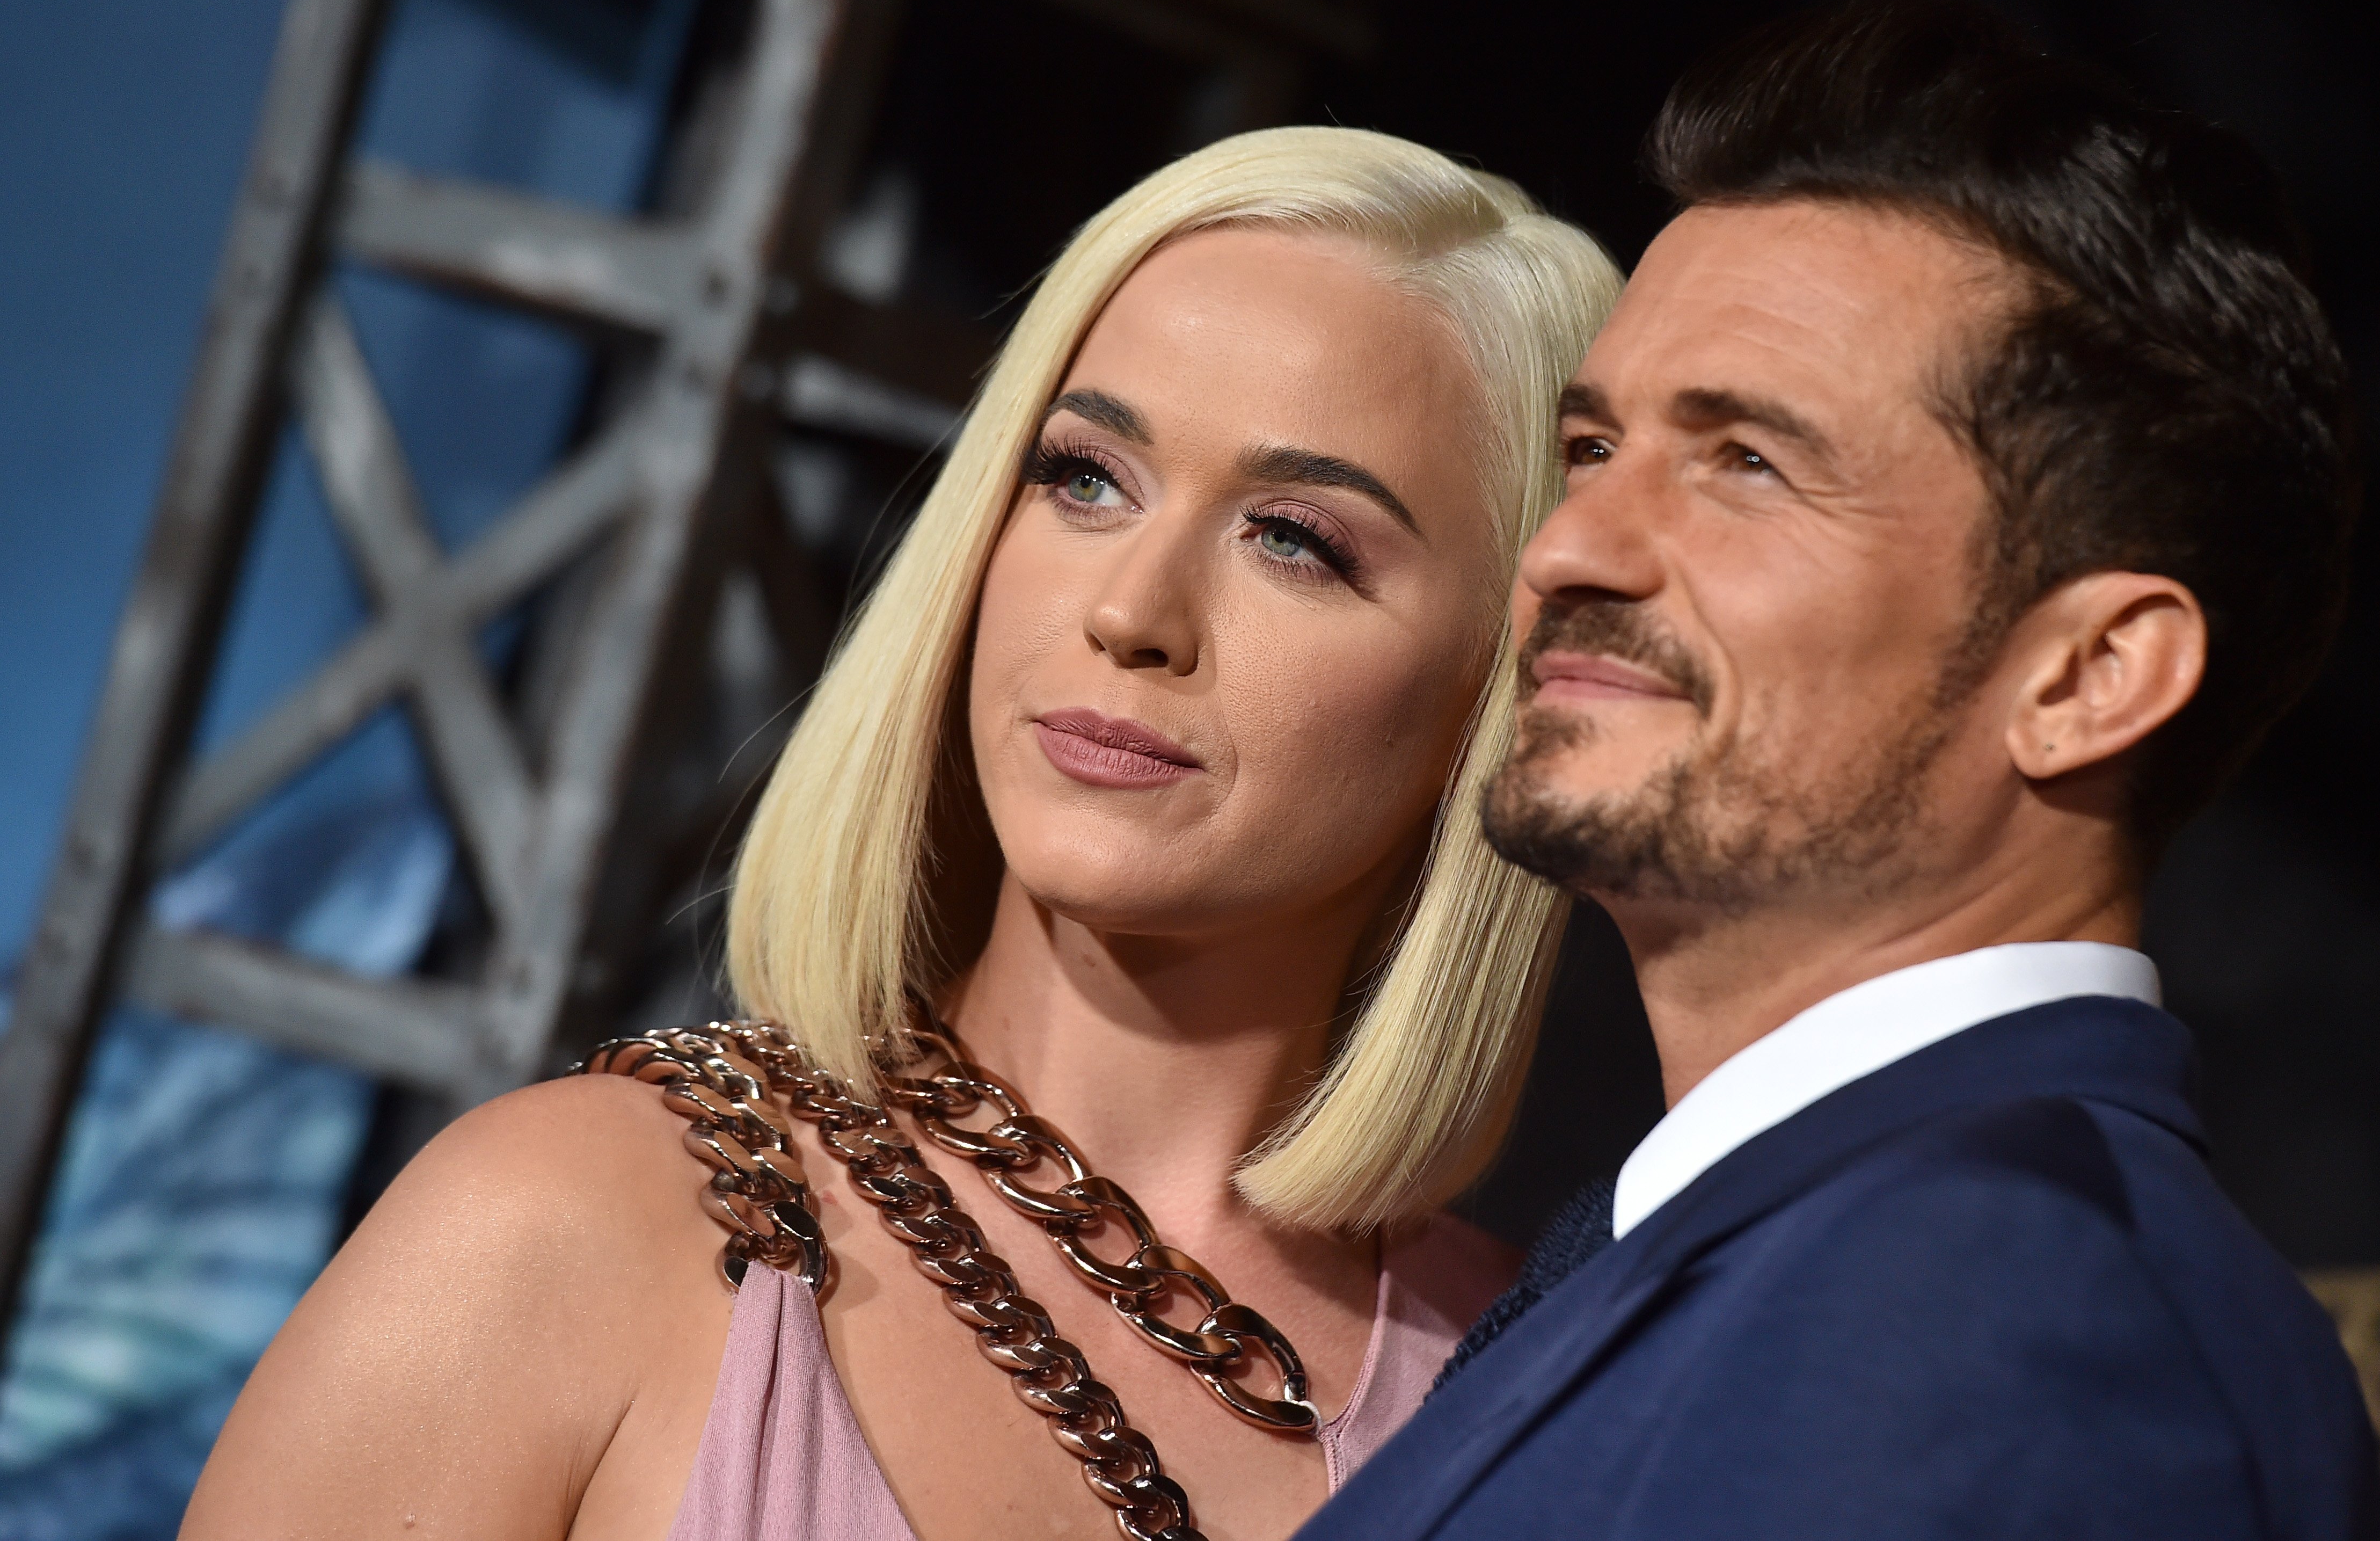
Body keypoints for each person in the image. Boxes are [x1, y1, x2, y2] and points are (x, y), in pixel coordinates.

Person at [180, 127, 1621, 1541]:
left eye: (1296, 538)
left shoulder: (1549, 1401)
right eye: (1084, 478)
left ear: (1504, 686)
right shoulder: (556, 1232)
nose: (1131, 612)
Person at [1299, 1, 2380, 1541]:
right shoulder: (1797, 1244)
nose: (1567, 547)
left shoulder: (2013, 1314)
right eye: (1595, 448)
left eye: (1748, 462)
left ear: (2089, 678)